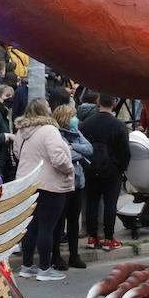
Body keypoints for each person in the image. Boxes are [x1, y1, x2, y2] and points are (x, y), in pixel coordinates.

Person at [13, 99, 74, 281]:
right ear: (43, 110)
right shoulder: (50, 130)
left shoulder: (22, 131)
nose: (50, 108)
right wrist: (69, 168)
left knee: (30, 226)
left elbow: (17, 153)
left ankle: (27, 266)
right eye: (48, 105)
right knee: (47, 227)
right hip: (49, 184)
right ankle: (45, 269)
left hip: (26, 182)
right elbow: (58, 158)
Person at [81, 93, 131, 251]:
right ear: (115, 103)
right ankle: (109, 238)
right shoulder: (118, 125)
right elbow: (125, 151)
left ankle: (92, 237)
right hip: (112, 169)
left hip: (90, 167)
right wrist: (121, 168)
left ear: (98, 101)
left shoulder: (87, 123)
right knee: (110, 204)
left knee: (91, 202)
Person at [50, 102, 91, 270]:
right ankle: (56, 256)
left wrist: (73, 147)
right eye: (73, 116)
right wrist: (74, 152)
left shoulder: (75, 132)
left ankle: (74, 255)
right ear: (65, 118)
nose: (76, 119)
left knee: (73, 221)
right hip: (63, 183)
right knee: (59, 222)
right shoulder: (56, 135)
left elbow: (89, 149)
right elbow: (65, 155)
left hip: (78, 183)